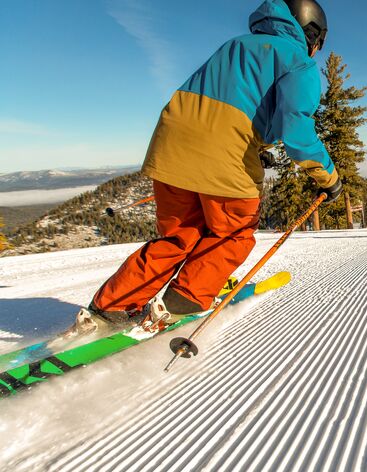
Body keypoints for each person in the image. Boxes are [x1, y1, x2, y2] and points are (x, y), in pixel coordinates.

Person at [68, 0, 342, 336]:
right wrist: (329, 178)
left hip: (170, 145)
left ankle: (109, 309)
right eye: (318, 43)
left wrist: (255, 148)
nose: (315, 51)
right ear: (311, 32)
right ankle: (183, 299)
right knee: (234, 232)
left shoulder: (236, 46)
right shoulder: (299, 62)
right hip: (224, 151)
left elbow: (225, 106)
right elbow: (298, 132)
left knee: (179, 236)